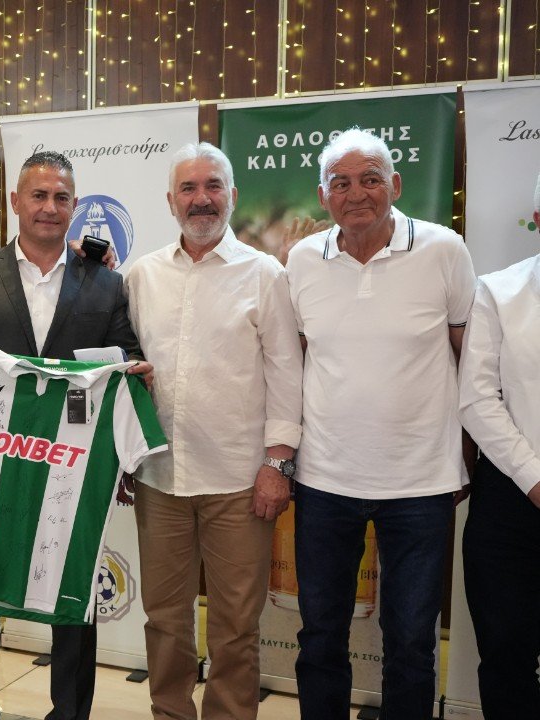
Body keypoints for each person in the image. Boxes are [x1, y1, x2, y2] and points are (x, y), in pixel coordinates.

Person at [0, 150, 153, 720]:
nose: (49, 207)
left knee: (72, 588)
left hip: (70, 461)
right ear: (15, 202)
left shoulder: (105, 282)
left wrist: (132, 370)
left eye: (61, 198)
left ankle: (70, 714)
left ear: (75, 206)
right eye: (38, 195)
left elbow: (126, 354)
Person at [286, 128, 476, 718]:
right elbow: (293, 359)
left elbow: (470, 356)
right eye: (340, 183)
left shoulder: (444, 250)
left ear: (395, 184)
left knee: (413, 640)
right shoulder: (302, 260)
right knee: (320, 634)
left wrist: (468, 454)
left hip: (420, 483)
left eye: (370, 179)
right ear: (323, 196)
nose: (356, 194)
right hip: (323, 480)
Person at [124, 143, 303, 720]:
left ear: (232, 195)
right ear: (170, 200)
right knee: (164, 620)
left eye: (213, 186)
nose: (201, 199)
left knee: (235, 626)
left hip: (239, 481)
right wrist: (124, 452)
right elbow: (126, 373)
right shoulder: (142, 275)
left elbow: (287, 377)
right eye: (189, 188)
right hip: (159, 477)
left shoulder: (265, 275)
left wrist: (277, 465)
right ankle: (170, 713)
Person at [458, 171, 540, 718]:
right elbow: (477, 399)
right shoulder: (500, 290)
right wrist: (534, 479)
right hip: (512, 500)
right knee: (507, 653)